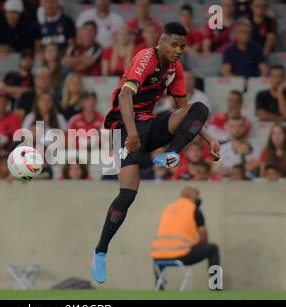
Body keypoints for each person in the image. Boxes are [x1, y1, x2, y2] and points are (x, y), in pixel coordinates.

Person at [90, 22, 221, 284]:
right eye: (174, 45)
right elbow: (126, 97)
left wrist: (209, 139)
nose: (179, 50)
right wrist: (132, 134)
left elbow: (185, 111)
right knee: (127, 194)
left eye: (183, 46)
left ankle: (171, 153)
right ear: (161, 42)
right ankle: (100, 251)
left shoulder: (175, 68)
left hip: (151, 125)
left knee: (199, 108)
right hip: (125, 128)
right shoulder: (145, 58)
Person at [151, 186, 221, 289]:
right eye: (197, 196)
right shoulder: (194, 209)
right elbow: (203, 236)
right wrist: (198, 244)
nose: (198, 199)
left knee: (159, 254)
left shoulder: (168, 208)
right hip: (182, 254)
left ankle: (160, 286)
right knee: (213, 248)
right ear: (190, 196)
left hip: (158, 255)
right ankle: (216, 286)